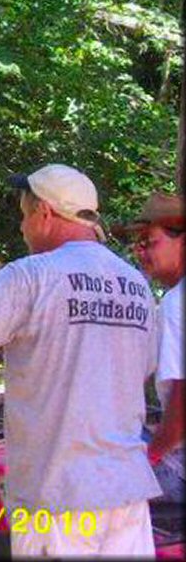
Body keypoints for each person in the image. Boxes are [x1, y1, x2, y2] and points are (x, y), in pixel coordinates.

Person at [0, 163, 160, 557]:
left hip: (59, 495)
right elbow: (144, 367)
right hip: (127, 494)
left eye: (24, 216)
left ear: (44, 213)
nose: (22, 228)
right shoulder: (135, 286)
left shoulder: (32, 276)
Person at [113, 192, 184, 505]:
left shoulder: (175, 303)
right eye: (137, 243)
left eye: (149, 241)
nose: (139, 251)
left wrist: (151, 456)